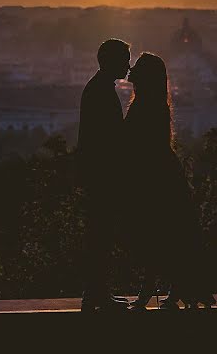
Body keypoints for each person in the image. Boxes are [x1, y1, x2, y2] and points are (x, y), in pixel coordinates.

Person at [124, 52, 216, 310]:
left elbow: (135, 146)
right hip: (163, 176)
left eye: (137, 69)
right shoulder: (156, 104)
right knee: (171, 237)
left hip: (153, 180)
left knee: (154, 238)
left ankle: (150, 292)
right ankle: (176, 290)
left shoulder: (144, 105)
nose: (131, 72)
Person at [76, 38, 132, 312]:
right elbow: (108, 139)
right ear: (111, 61)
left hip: (98, 175)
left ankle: (97, 292)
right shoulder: (101, 92)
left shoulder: (97, 88)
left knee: (100, 235)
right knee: (101, 236)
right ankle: (96, 293)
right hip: (103, 176)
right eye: (125, 60)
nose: (128, 66)